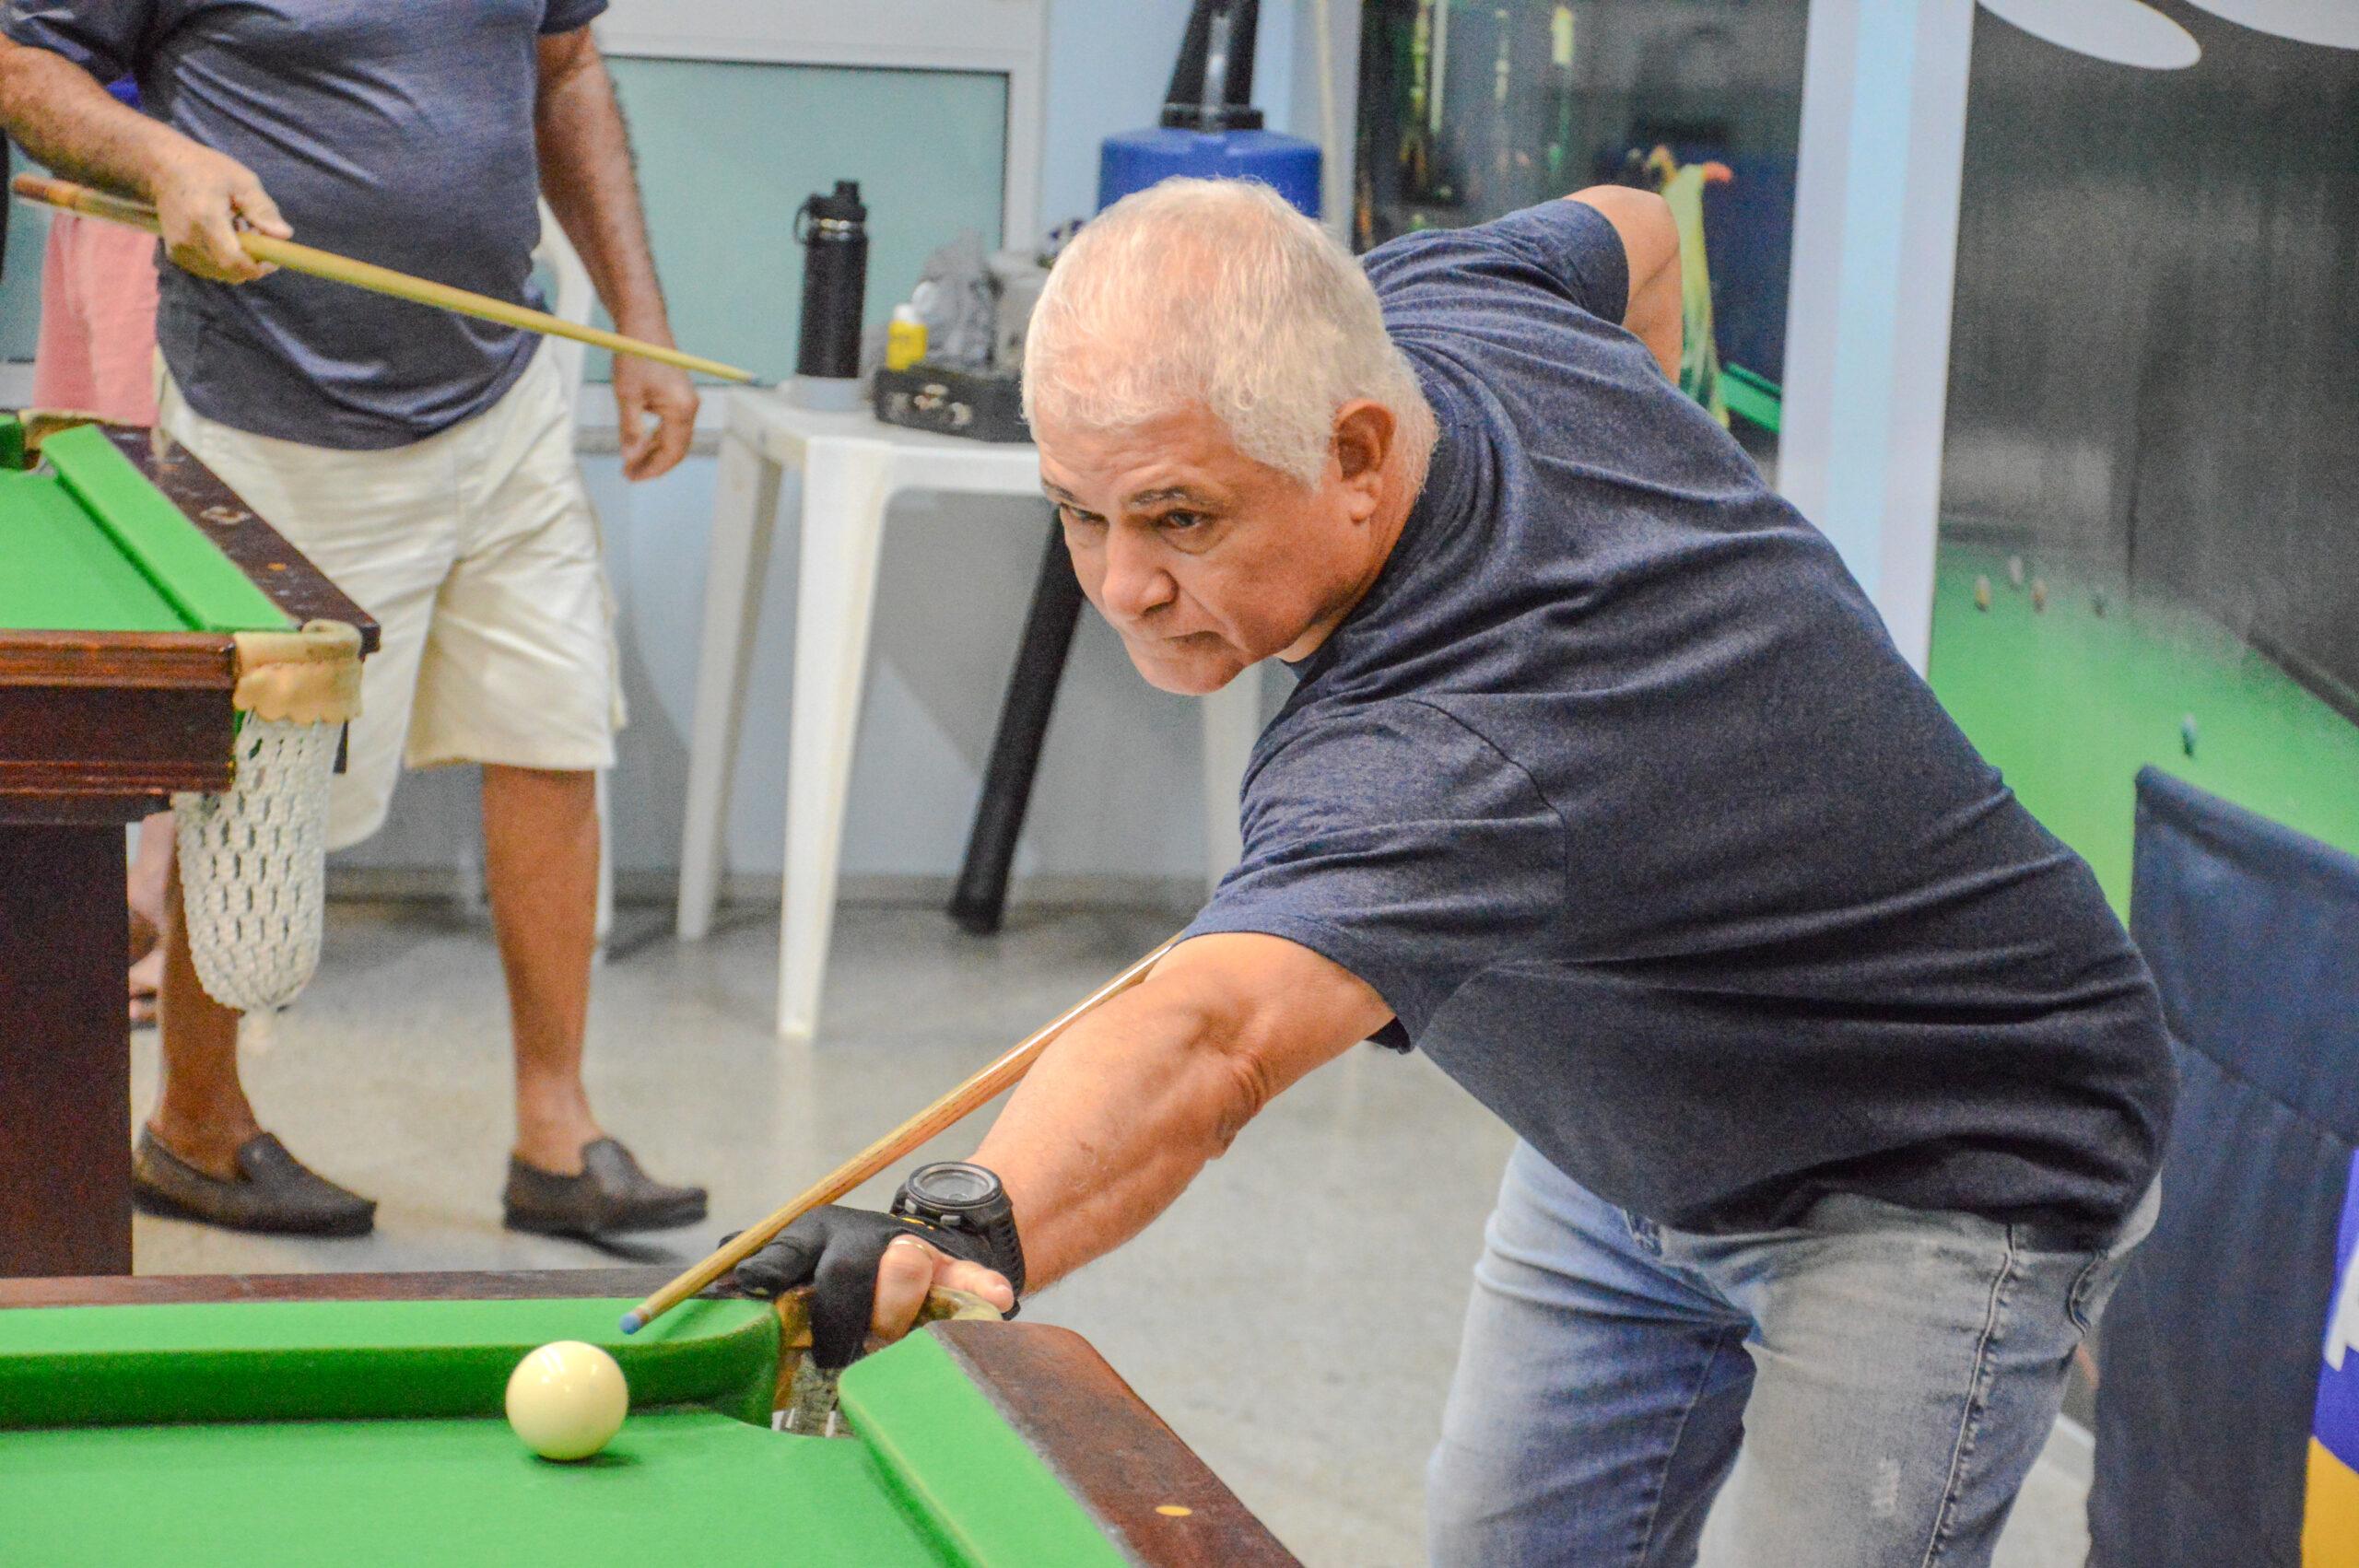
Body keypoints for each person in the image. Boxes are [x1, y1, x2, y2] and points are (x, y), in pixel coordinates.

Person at [726, 178, 2177, 1567]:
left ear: (1359, 455)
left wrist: (963, 1227)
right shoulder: (1443, 302)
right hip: (1625, 1140)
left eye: (1180, 517)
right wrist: (1667, 484)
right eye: (1078, 511)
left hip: (1935, 1154)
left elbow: (1211, 1035)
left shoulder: (1452, 742)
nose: (1121, 587)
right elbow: (1641, 234)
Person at [0, 0, 706, 1239]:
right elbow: (24, 66)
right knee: (260, 801)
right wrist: (165, 159)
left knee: (551, 734)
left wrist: (640, 322)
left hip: (501, 392)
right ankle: (194, 1123)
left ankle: (556, 1132)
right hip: (274, 411)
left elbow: (568, 73)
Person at [22, 71, 169, 1025]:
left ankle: (162, 901)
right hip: (78, 185)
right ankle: (89, 887)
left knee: (155, 535)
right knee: (69, 498)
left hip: (159, 189)